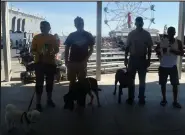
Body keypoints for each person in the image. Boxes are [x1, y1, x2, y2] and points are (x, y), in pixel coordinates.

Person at [64, 16, 95, 100]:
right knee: (72, 82)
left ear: (83, 23)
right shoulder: (71, 35)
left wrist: (85, 60)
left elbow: (91, 49)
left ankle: (81, 101)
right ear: (75, 25)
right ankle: (71, 99)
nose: (79, 25)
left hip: (82, 63)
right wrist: (66, 61)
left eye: (80, 23)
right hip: (72, 62)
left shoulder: (88, 35)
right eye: (77, 23)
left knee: (82, 82)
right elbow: (66, 49)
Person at [31, 21, 59, 112]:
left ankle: (49, 100)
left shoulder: (52, 38)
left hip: (50, 63)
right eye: (41, 26)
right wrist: (38, 53)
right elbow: (32, 50)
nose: (42, 28)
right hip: (39, 63)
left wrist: (50, 53)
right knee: (39, 84)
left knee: (50, 83)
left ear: (49, 28)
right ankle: (38, 103)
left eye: (44, 26)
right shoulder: (36, 37)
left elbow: (56, 49)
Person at [125, 17, 153, 105]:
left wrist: (148, 59)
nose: (140, 24)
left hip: (142, 59)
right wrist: (125, 58)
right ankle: (130, 97)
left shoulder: (147, 34)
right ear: (135, 24)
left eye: (141, 22)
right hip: (132, 59)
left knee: (142, 80)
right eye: (138, 22)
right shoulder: (131, 34)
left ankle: (141, 98)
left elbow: (149, 48)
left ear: (143, 23)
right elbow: (127, 47)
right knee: (131, 80)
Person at [155, 27, 184, 108]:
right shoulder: (162, 41)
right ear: (167, 32)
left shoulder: (178, 42)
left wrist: (171, 50)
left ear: (174, 33)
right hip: (162, 66)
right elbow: (156, 50)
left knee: (175, 85)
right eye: (169, 32)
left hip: (173, 67)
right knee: (163, 84)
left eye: (172, 32)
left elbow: (182, 53)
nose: (171, 33)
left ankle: (175, 101)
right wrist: (161, 51)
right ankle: (164, 99)